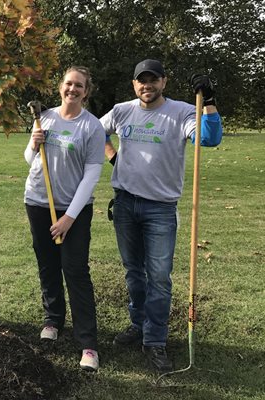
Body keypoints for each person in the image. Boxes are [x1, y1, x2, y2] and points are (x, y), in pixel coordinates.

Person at [101, 59, 223, 372]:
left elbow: (209, 138)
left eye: (153, 80)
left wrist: (207, 100)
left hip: (160, 209)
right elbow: (94, 132)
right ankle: (137, 323)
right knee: (133, 271)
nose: (147, 86)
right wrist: (113, 156)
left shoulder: (181, 111)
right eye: (141, 80)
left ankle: (154, 340)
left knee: (158, 277)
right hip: (126, 204)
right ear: (134, 84)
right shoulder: (122, 110)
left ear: (163, 82)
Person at [24, 66, 105, 372]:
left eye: (79, 86)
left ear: (86, 91)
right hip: (37, 201)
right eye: (68, 84)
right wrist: (33, 143)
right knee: (47, 264)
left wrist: (69, 217)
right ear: (61, 87)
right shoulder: (44, 117)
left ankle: (88, 344)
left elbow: (92, 174)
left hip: (74, 208)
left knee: (75, 270)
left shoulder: (92, 127)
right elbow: (30, 162)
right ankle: (52, 320)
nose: (73, 89)